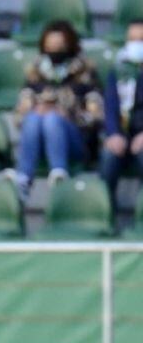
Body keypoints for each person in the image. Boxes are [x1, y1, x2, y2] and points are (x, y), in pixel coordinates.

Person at [11, 20, 103, 201]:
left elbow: (97, 117)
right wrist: (37, 110)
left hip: (76, 141)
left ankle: (59, 172)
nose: (54, 52)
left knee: (53, 118)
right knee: (35, 118)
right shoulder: (35, 73)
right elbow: (19, 117)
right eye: (50, 47)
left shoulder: (85, 73)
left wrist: (70, 116)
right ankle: (24, 177)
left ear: (70, 46)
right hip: (40, 141)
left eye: (59, 47)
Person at [100, 19, 143, 227]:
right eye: (132, 39)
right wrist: (113, 134)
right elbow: (110, 106)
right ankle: (106, 215)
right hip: (122, 137)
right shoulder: (117, 71)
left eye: (141, 40)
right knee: (108, 157)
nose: (136, 44)